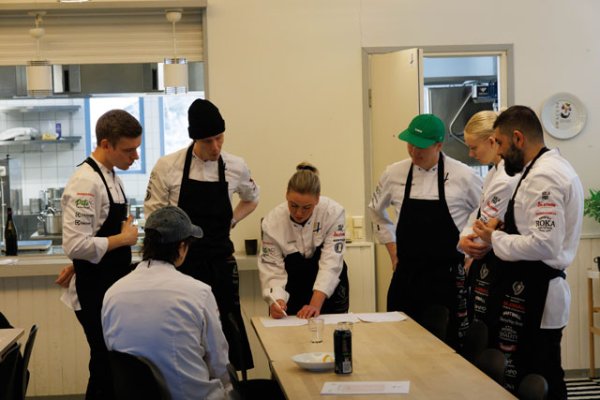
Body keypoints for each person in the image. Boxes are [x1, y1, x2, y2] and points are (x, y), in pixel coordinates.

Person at [473, 105, 584, 399]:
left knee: (542, 375)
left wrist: (495, 237)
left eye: (499, 142)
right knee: (531, 371)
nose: (498, 151)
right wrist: (503, 226)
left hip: (538, 292)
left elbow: (544, 243)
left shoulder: (544, 177)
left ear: (518, 138)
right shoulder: (539, 169)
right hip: (529, 289)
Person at [144, 98, 259, 371]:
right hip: (182, 263)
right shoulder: (168, 166)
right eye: (208, 141)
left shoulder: (236, 166)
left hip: (221, 261)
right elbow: (154, 216)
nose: (216, 147)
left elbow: (252, 198)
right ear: (194, 139)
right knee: (185, 327)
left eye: (220, 138)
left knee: (226, 325)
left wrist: (231, 220)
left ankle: (230, 385)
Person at [368, 113, 482, 347]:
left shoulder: (464, 176)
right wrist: (392, 250)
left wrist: (472, 251)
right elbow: (375, 211)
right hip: (406, 276)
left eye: (421, 146)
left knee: (446, 346)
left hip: (446, 279)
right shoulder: (394, 173)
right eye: (410, 144)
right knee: (400, 343)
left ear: (439, 145)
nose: (414, 151)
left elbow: (484, 212)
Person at [102, 206, 232, 400]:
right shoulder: (199, 293)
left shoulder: (113, 294)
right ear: (181, 247)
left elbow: (114, 352)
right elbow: (219, 362)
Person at [61, 109, 141, 400]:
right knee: (105, 366)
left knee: (110, 365)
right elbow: (75, 244)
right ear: (106, 144)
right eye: (129, 150)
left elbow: (90, 237)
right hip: (94, 290)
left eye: (137, 148)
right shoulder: (87, 183)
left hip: (109, 286)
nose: (135, 156)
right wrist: (123, 239)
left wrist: (77, 264)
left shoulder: (112, 177)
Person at [258, 163, 349, 319]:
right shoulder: (272, 222)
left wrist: (315, 305)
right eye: (293, 205)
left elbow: (331, 262)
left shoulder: (333, 213)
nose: (299, 213)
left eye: (306, 207)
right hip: (293, 283)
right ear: (286, 195)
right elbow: (272, 268)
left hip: (329, 288)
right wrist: (277, 300)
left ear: (317, 199)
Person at [456, 111, 520, 326]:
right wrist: (464, 239)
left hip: (502, 268)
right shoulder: (493, 173)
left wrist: (467, 242)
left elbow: (482, 236)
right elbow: (477, 215)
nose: (470, 154)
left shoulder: (507, 178)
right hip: (488, 267)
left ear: (492, 141)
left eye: (474, 147)